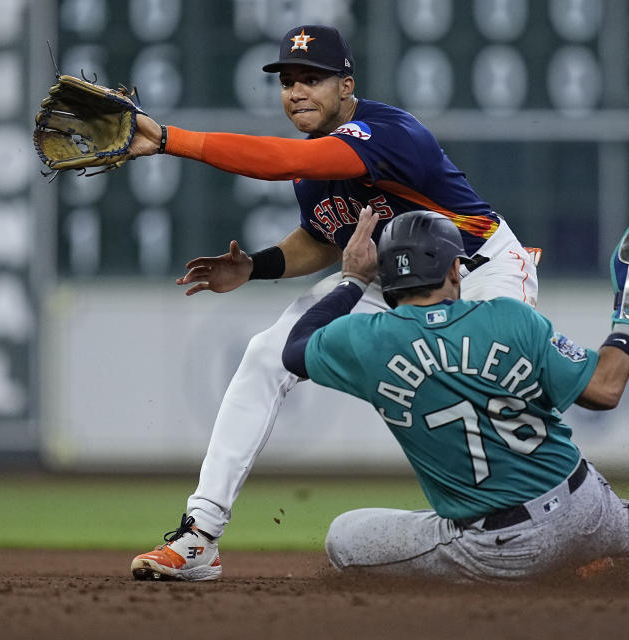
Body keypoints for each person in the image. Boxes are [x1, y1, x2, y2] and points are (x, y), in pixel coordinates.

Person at [129, 25, 540, 582]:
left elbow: (271, 161)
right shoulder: (313, 169)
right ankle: (200, 534)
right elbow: (324, 240)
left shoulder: (389, 132)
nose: (297, 91)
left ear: (347, 85)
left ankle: (564, 520)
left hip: (477, 268)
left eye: (313, 79)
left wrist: (171, 139)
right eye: (288, 81)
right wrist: (257, 265)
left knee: (504, 388)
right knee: (265, 355)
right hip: (386, 278)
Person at [277, 207, 629, 584]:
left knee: (344, 536)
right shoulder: (508, 317)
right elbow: (606, 387)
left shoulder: (366, 339)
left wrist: (352, 280)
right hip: (588, 505)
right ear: (455, 271)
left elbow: (294, 350)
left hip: (500, 549)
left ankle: (567, 564)